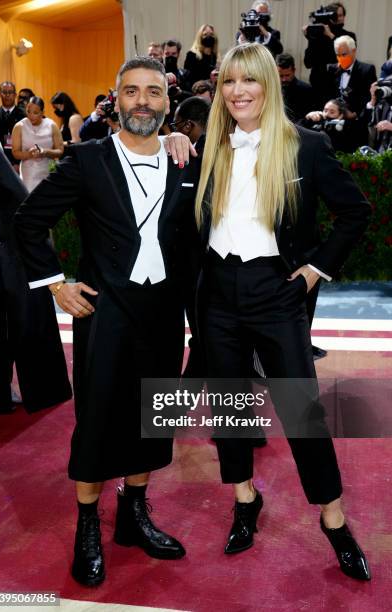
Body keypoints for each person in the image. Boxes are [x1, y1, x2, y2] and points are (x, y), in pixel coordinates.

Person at [14, 56, 200, 587]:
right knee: (97, 419)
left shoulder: (186, 159)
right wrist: (55, 284)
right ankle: (88, 525)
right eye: (132, 92)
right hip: (105, 311)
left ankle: (135, 515)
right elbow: (29, 220)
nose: (143, 101)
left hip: (164, 314)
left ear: (167, 101)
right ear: (115, 100)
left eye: (154, 92)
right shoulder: (87, 159)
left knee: (153, 417)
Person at [193, 43, 371, 580]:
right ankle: (245, 499)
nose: (238, 92)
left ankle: (334, 521)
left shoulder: (306, 146)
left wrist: (316, 270)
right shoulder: (209, 148)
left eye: (250, 81)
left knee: (302, 411)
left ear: (270, 85)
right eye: (229, 83)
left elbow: (354, 213)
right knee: (228, 407)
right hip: (218, 294)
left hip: (277, 291)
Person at [0, 139, 72, 415]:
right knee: (13, 322)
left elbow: (17, 199)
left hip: (3, 247)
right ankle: (18, 393)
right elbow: (19, 198)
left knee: (6, 322)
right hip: (1, 248)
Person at [303, 2, 356, 108]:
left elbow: (347, 60)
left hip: (336, 85)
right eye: (336, 16)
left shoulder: (349, 36)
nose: (340, 18)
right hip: (318, 85)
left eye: (341, 15)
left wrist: (331, 36)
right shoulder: (318, 36)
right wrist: (311, 38)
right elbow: (308, 63)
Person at [11, 96, 64, 192]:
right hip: (28, 173)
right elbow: (15, 152)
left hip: (47, 170)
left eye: (35, 113)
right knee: (29, 198)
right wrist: (28, 154)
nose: (31, 115)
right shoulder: (19, 126)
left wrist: (45, 152)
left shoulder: (51, 125)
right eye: (28, 111)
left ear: (42, 112)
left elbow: (60, 150)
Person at [0, 81, 25, 166]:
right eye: (4, 92)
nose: (7, 95)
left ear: (15, 95)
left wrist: (18, 164)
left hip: (20, 163)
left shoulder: (24, 116)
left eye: (10, 92)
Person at [276, 53, 315, 123]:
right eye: (281, 76)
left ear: (294, 71)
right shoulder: (271, 89)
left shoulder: (306, 90)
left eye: (287, 75)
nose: (284, 79)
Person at [184, 24, 218, 90]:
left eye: (211, 34)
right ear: (200, 37)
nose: (208, 37)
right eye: (205, 34)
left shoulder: (215, 56)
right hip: (196, 91)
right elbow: (188, 79)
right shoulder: (192, 55)